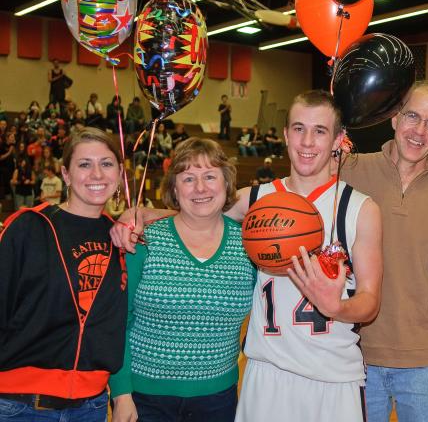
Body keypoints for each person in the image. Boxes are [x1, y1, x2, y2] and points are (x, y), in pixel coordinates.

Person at [111, 90, 383, 421]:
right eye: (298, 128)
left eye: (320, 131)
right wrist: (141, 213)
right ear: (285, 135)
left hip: (333, 375)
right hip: (265, 372)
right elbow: (200, 208)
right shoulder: (253, 199)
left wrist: (336, 307)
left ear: (339, 139)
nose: (307, 141)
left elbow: (370, 301)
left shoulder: (362, 209)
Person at [109, 138, 256, 422]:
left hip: (218, 399)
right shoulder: (144, 241)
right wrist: (121, 393)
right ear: (175, 188)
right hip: (144, 399)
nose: (200, 188)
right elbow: (118, 322)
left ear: (226, 184)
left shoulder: (249, 245)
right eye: (188, 178)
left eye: (210, 176)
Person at [340, 80, 428, 421]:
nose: (419, 130)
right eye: (412, 116)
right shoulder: (350, 169)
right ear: (394, 117)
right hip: (356, 354)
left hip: (425, 358)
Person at [0, 127, 127, 422]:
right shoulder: (28, 226)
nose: (97, 174)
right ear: (66, 174)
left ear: (120, 173)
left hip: (91, 406)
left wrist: (142, 213)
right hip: (20, 405)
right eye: (84, 164)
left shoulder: (121, 237)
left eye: (106, 164)